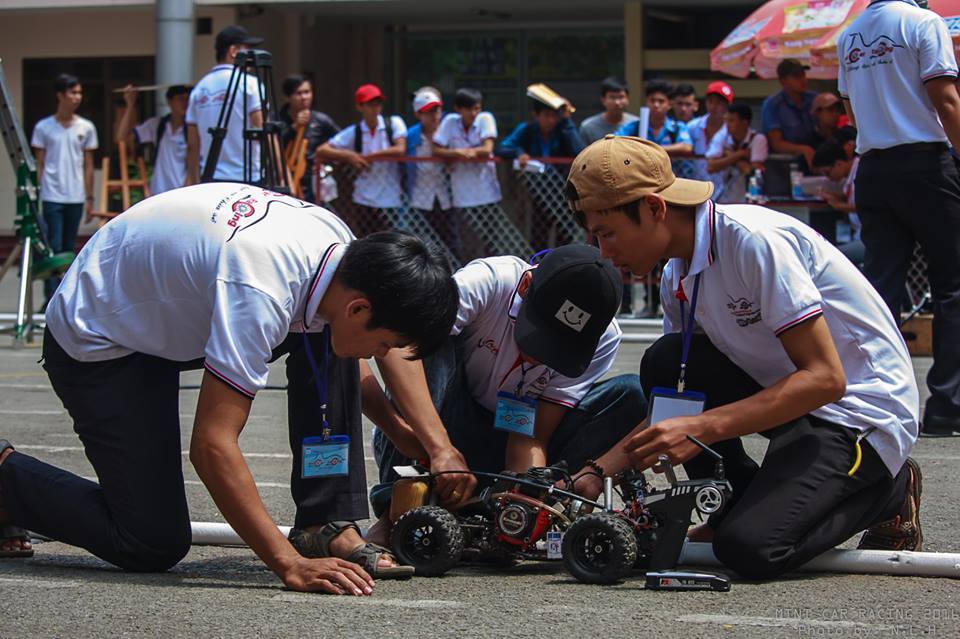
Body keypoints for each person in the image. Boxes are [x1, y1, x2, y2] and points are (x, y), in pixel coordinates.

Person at [0, 182, 460, 587]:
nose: (378, 358)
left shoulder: (343, 254)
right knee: (150, 541)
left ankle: (325, 521)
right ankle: (5, 478)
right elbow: (213, 445)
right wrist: (287, 564)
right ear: (360, 310)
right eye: (383, 345)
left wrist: (408, 436)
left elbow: (346, 356)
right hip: (101, 337)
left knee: (327, 338)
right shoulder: (260, 290)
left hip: (160, 309)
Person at [564, 135, 922, 580]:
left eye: (608, 233)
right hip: (793, 401)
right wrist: (598, 471)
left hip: (857, 413)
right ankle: (734, 501)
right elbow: (677, 402)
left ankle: (890, 491)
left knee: (750, 550)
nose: (604, 252)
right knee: (668, 361)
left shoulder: (753, 242)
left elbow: (827, 380)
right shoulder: (678, 271)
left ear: (655, 208)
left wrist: (700, 426)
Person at [365, 244, 646, 545]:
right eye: (540, 335)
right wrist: (440, 449)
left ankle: (489, 509)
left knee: (632, 394)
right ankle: (397, 514)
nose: (540, 358)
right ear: (526, 286)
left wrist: (523, 499)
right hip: (439, 429)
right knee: (428, 337)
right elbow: (397, 345)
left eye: (560, 348)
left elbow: (532, 435)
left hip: (508, 440)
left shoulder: (605, 338)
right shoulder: (490, 281)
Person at [838, 0, 960, 437]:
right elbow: (946, 99)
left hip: (874, 167)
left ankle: (874, 399)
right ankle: (947, 406)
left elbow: (852, 114)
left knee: (880, 290)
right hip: (926, 163)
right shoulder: (924, 22)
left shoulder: (849, 34)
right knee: (953, 287)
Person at [30, 73, 98, 306]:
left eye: (79, 92)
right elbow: (38, 163)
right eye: (73, 92)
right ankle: (49, 300)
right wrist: (36, 195)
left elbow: (88, 164)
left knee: (69, 249)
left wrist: (90, 197)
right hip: (51, 195)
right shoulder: (44, 127)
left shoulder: (86, 127)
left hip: (75, 195)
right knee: (54, 248)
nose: (77, 97)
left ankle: (63, 300)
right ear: (60, 95)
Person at [317, 84, 407, 235]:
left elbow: (400, 149)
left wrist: (368, 157)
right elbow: (322, 150)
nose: (375, 108)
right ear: (360, 107)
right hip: (363, 198)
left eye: (378, 103)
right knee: (366, 241)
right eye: (370, 104)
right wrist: (350, 156)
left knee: (391, 245)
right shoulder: (355, 131)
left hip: (390, 198)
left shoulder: (393, 123)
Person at [431, 88, 505, 261]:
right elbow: (436, 149)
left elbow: (487, 149)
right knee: (467, 245)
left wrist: (461, 153)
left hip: (488, 194)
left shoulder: (485, 119)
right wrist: (460, 153)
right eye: (469, 109)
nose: (474, 113)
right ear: (458, 109)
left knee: (491, 245)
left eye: (477, 108)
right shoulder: (449, 122)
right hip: (462, 197)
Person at [186, 25, 265, 184]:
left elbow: (192, 143)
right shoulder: (250, 84)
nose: (251, 55)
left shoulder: (200, 89)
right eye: (247, 49)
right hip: (247, 176)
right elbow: (262, 131)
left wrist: (193, 179)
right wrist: (283, 175)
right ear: (234, 51)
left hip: (211, 177)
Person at [404, 87, 457, 259]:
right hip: (419, 198)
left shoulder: (449, 131)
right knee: (420, 244)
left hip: (445, 197)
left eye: (437, 110)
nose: (434, 115)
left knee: (451, 242)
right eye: (428, 112)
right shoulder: (411, 136)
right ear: (418, 114)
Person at [115, 84, 192, 195]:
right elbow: (121, 137)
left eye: (187, 99)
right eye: (180, 99)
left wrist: (187, 189)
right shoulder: (158, 125)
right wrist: (130, 105)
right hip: (158, 192)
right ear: (169, 101)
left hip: (181, 192)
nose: (185, 103)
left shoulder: (192, 130)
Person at [279, 74, 341, 203]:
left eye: (307, 92)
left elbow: (342, 142)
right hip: (283, 184)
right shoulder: (277, 119)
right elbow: (273, 147)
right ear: (287, 97)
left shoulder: (321, 120)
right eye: (299, 93)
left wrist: (328, 166)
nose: (304, 97)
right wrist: (294, 128)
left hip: (312, 187)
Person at [617, 80, 694, 175]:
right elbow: (615, 141)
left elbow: (687, 147)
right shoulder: (635, 126)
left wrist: (653, 150)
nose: (656, 105)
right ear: (646, 102)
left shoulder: (677, 127)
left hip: (671, 182)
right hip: (642, 181)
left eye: (661, 101)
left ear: (669, 104)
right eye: (652, 100)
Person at [812, 139, 863, 268]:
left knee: (831, 257)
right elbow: (850, 195)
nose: (828, 178)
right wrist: (831, 197)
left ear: (839, 164)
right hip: (856, 234)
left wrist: (839, 205)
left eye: (828, 173)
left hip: (866, 238)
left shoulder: (860, 171)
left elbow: (866, 206)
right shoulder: (851, 174)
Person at [705, 102, 769, 204]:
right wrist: (739, 155)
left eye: (731, 121)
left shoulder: (757, 139)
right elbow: (710, 167)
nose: (727, 125)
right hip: (726, 198)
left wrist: (728, 157)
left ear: (744, 123)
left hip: (751, 199)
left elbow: (751, 172)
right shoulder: (723, 135)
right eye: (726, 120)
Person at [762, 59, 818, 170]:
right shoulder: (773, 104)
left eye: (803, 74)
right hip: (785, 167)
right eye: (797, 76)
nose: (803, 79)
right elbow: (776, 144)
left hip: (816, 162)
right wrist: (803, 149)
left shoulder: (814, 98)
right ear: (783, 81)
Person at [688, 81, 734, 195]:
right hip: (695, 188)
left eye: (719, 103)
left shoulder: (733, 130)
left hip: (726, 191)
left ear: (727, 106)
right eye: (710, 101)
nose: (714, 106)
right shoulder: (693, 126)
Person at [579, 77, 638, 145]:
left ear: (628, 99)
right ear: (603, 100)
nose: (617, 102)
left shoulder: (637, 124)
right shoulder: (588, 127)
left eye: (621, 97)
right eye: (612, 97)